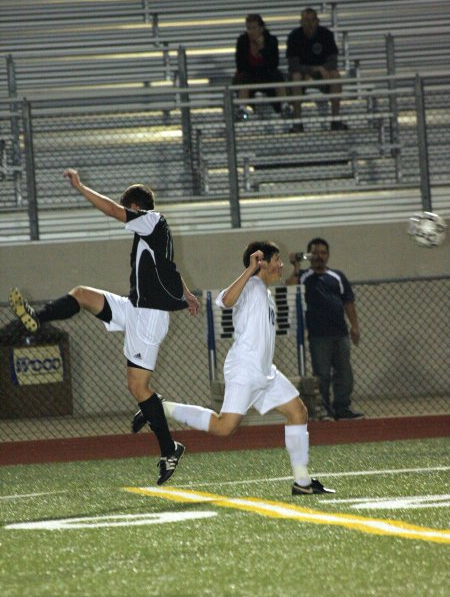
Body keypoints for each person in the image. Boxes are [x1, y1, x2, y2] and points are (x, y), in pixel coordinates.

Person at [8, 168, 200, 485]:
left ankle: (169, 447)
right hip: (135, 307)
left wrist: (81, 187)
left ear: (136, 208)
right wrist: (188, 295)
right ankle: (37, 318)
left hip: (149, 317)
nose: (127, 216)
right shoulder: (152, 233)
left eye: (129, 210)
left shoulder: (151, 220)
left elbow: (112, 210)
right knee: (82, 294)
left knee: (138, 387)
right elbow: (171, 270)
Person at [134, 241, 334, 496]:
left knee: (298, 412)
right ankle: (158, 407)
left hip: (265, 372)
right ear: (262, 262)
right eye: (277, 260)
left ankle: (303, 483)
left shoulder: (265, 291)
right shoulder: (251, 285)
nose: (281, 265)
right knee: (224, 427)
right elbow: (224, 300)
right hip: (245, 369)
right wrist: (250, 270)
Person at [286, 237, 363, 421]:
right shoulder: (303, 276)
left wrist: (354, 326)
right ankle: (324, 410)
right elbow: (290, 288)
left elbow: (348, 302)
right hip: (318, 336)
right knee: (321, 376)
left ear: (328, 255)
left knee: (344, 373)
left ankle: (342, 409)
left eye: (323, 253)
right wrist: (296, 266)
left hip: (340, 333)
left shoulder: (337, 277)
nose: (319, 257)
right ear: (309, 255)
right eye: (315, 253)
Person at [286, 7, 347, 131]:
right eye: (306, 21)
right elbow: (293, 65)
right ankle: (297, 122)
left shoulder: (326, 35)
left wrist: (321, 69)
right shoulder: (294, 36)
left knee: (335, 75)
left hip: (323, 73)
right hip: (304, 74)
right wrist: (312, 69)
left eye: (312, 20)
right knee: (296, 77)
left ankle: (335, 120)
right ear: (301, 22)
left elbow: (333, 61)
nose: (309, 24)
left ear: (317, 21)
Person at [233, 14, 291, 121]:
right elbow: (240, 64)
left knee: (277, 75)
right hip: (250, 74)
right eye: (248, 28)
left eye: (254, 28)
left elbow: (273, 63)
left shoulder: (271, 40)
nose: (251, 31)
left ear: (261, 28)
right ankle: (242, 109)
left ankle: (285, 106)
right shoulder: (242, 41)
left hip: (267, 74)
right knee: (243, 77)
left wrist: (262, 49)